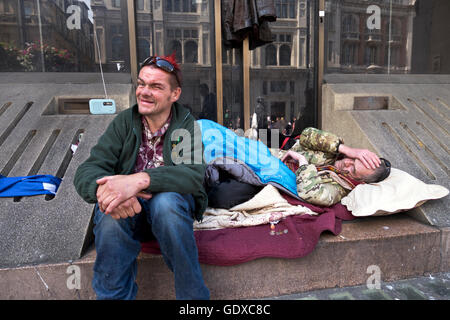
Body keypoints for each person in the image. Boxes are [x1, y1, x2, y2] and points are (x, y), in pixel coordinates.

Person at [73, 54, 210, 300]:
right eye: (141, 84)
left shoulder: (184, 126)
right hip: (129, 210)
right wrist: (108, 192)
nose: (144, 92)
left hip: (169, 212)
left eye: (156, 86)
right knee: (110, 211)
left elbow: (190, 174)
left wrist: (137, 180)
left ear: (174, 94)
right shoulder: (125, 122)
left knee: (166, 203)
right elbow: (88, 170)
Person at [280, 127, 391, 207]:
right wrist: (346, 149)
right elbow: (306, 134)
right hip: (283, 144)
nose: (347, 163)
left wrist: (303, 163)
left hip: (273, 170)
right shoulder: (335, 147)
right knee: (265, 132)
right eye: (353, 159)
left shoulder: (340, 188)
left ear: (360, 181)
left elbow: (314, 194)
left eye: (353, 170)